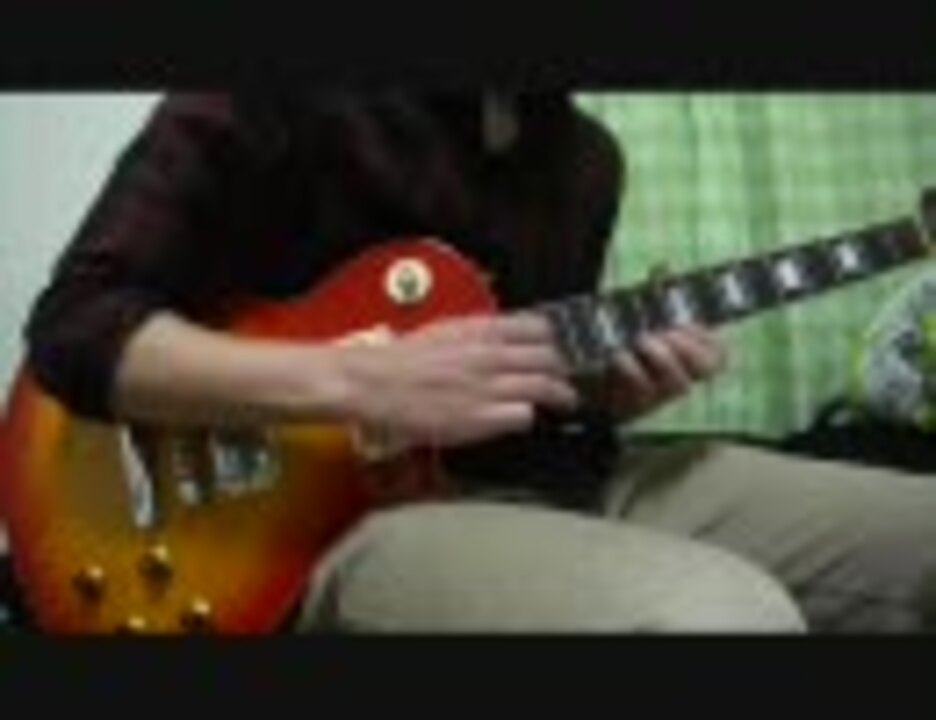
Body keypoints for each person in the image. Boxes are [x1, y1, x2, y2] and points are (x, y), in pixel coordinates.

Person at [21, 90, 936, 633]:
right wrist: (359, 382)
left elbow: (521, 392)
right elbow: (76, 328)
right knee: (718, 619)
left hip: (549, 483)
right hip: (317, 528)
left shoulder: (587, 160)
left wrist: (606, 395)